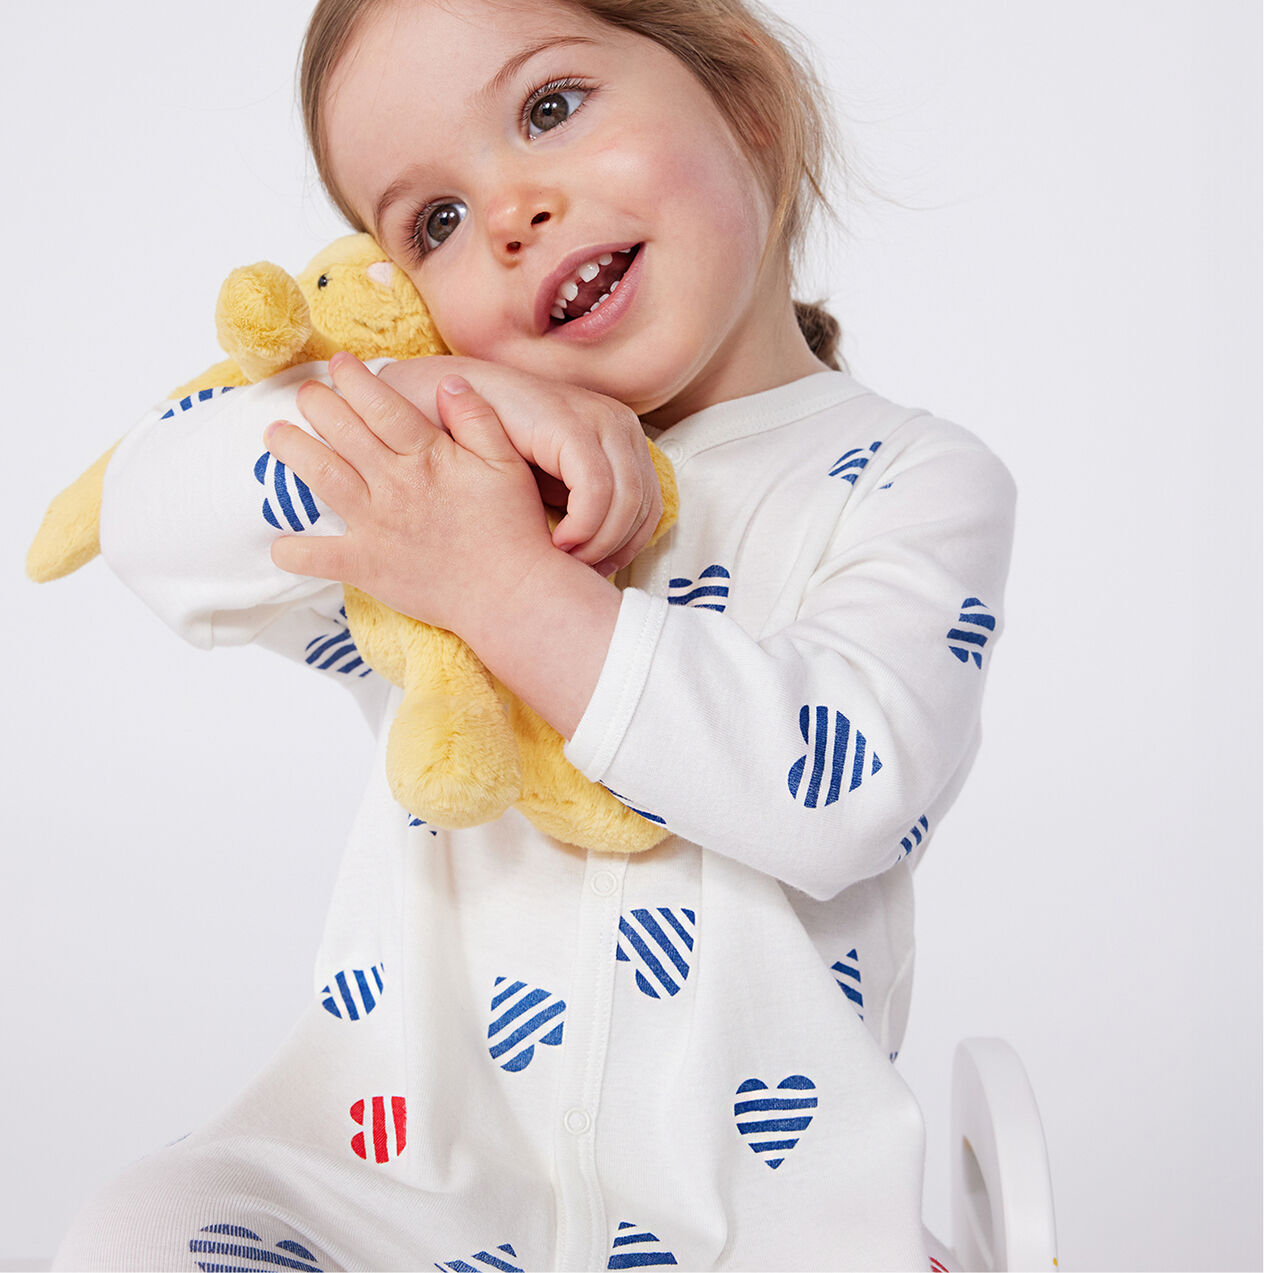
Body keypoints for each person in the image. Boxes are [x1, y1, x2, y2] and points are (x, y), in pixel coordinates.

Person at [53, 1, 1015, 1268]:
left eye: (550, 108)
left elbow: (842, 791)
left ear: (745, 103)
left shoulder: (911, 478)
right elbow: (145, 517)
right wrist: (424, 399)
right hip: (409, 1196)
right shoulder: (436, 482)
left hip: (763, 1222)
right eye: (435, 222)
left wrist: (511, 592)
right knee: (140, 1227)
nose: (508, 214)